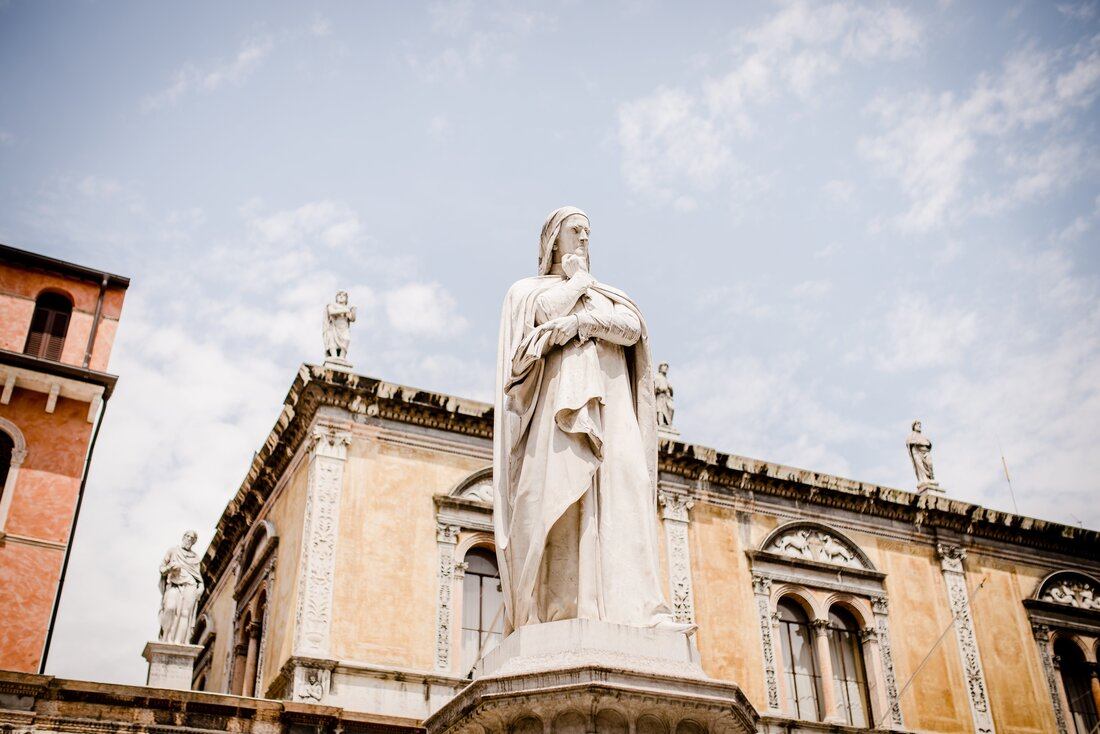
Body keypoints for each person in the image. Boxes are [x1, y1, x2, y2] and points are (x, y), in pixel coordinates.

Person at [493, 206, 684, 634]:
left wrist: (580, 322)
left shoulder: (606, 294)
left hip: (613, 412)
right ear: (553, 240)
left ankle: (639, 610)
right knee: (563, 497)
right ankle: (567, 610)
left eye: (588, 232)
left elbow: (631, 327)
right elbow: (545, 315)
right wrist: (578, 283)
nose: (583, 238)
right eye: (575, 230)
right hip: (558, 416)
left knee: (627, 492)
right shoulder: (527, 291)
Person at [158, 530, 203, 644]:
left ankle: (179, 641)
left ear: (194, 542)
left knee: (185, 614)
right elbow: (162, 569)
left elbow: (198, 577)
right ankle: (166, 638)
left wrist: (201, 587)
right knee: (170, 608)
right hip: (174, 584)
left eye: (192, 538)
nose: (189, 539)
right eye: (187, 536)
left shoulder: (196, 558)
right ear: (183, 537)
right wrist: (171, 568)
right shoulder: (173, 551)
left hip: (191, 585)